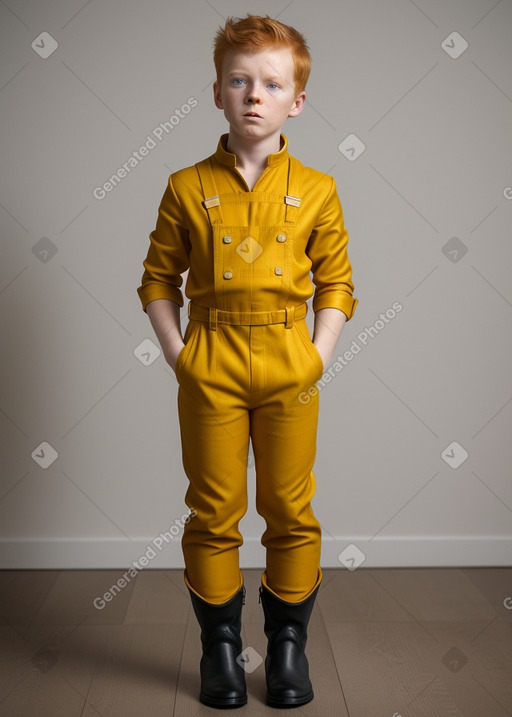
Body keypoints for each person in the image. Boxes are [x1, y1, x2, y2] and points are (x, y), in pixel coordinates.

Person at [136, 14, 358, 709]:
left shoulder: (318, 187)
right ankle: (221, 651)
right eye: (239, 80)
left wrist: (315, 357)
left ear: (296, 100)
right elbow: (156, 280)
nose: (253, 95)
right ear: (217, 92)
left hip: (289, 358)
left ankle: (288, 649)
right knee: (213, 510)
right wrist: (181, 356)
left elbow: (339, 283)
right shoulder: (184, 185)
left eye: (270, 84)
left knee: (291, 509)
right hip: (213, 357)